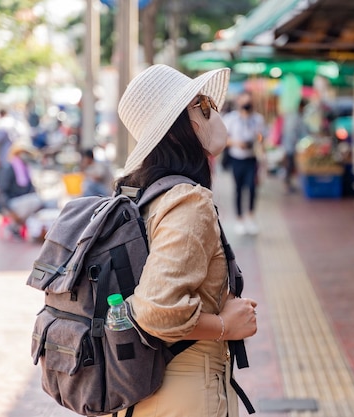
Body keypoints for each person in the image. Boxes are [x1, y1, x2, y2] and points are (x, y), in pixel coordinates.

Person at [114, 64, 258, 417]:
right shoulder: (188, 201)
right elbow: (157, 311)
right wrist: (226, 325)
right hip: (184, 394)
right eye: (204, 106)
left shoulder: (138, 192)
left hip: (141, 388)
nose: (214, 114)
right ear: (181, 124)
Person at [222, 91, 266, 235]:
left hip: (252, 158)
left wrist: (257, 142)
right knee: (238, 189)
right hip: (236, 159)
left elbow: (262, 138)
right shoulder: (231, 119)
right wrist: (236, 143)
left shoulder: (257, 119)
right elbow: (223, 139)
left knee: (252, 188)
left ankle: (251, 217)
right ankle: (239, 219)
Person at [0, 141, 41, 236]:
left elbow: (31, 189)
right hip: (11, 204)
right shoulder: (9, 168)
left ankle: (18, 226)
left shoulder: (26, 169)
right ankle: (14, 225)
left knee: (42, 202)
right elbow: (2, 191)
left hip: (23, 202)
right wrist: (10, 211)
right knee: (36, 201)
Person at [281, 98, 309, 193]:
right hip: (290, 145)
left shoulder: (298, 116)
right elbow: (291, 133)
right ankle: (286, 185)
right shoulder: (294, 117)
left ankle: (288, 184)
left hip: (291, 145)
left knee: (290, 165)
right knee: (289, 165)